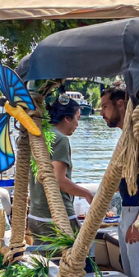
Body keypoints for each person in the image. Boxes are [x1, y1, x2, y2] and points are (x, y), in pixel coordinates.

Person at [27, 96, 93, 243]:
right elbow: (59, 180)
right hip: (57, 216)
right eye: (77, 118)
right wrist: (87, 194)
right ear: (67, 119)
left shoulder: (39, 135)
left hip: (35, 215)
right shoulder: (61, 139)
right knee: (78, 255)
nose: (77, 124)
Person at [101, 85, 139, 277]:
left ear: (120, 104)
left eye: (105, 107)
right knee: (129, 273)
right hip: (126, 212)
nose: (101, 113)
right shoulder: (126, 142)